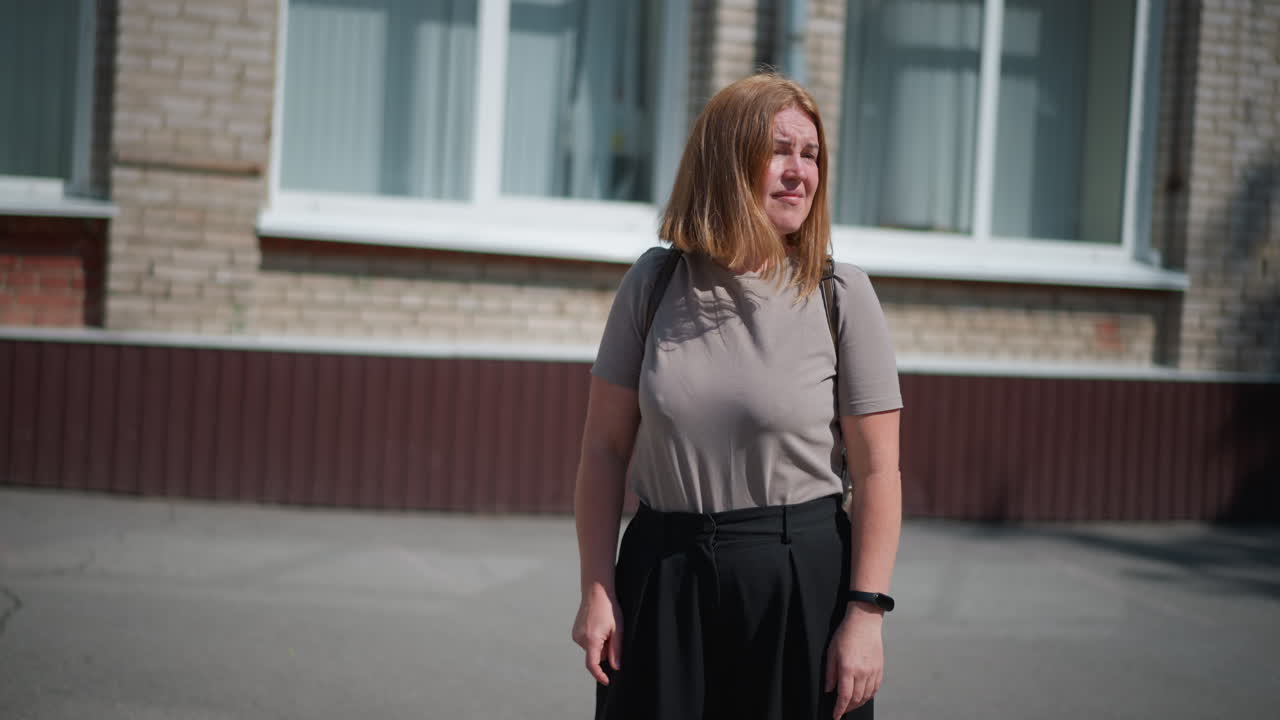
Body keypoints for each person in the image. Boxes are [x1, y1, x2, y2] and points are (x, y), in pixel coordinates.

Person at [571, 73, 903, 720]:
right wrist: (596, 587)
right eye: (780, 150)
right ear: (726, 159)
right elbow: (604, 450)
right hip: (663, 575)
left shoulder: (840, 296)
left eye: (811, 156)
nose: (798, 172)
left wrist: (867, 613)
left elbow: (878, 471)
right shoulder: (654, 282)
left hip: (797, 581)